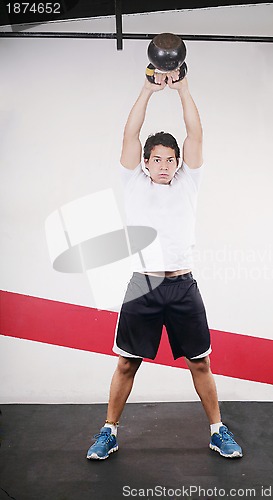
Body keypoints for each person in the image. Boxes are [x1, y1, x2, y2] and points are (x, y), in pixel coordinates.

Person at [86, 70, 243, 460]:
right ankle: (109, 431)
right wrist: (147, 91)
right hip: (144, 284)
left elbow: (195, 134)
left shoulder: (188, 182)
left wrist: (183, 90)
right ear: (145, 162)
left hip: (183, 284)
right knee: (126, 363)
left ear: (177, 163)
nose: (163, 166)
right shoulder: (133, 182)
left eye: (169, 160)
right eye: (156, 160)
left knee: (200, 363)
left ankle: (217, 430)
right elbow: (129, 135)